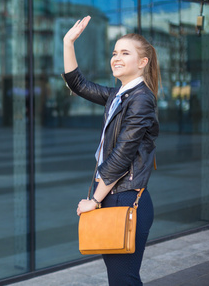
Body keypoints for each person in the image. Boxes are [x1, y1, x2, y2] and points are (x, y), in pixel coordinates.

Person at [62, 16, 160, 285]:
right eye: (114, 52)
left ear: (143, 62)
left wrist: (94, 200)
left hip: (125, 198)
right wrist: (68, 42)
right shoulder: (121, 95)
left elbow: (121, 156)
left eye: (125, 53)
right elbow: (78, 84)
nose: (116, 57)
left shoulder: (141, 99)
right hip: (114, 195)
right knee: (121, 278)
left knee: (123, 279)